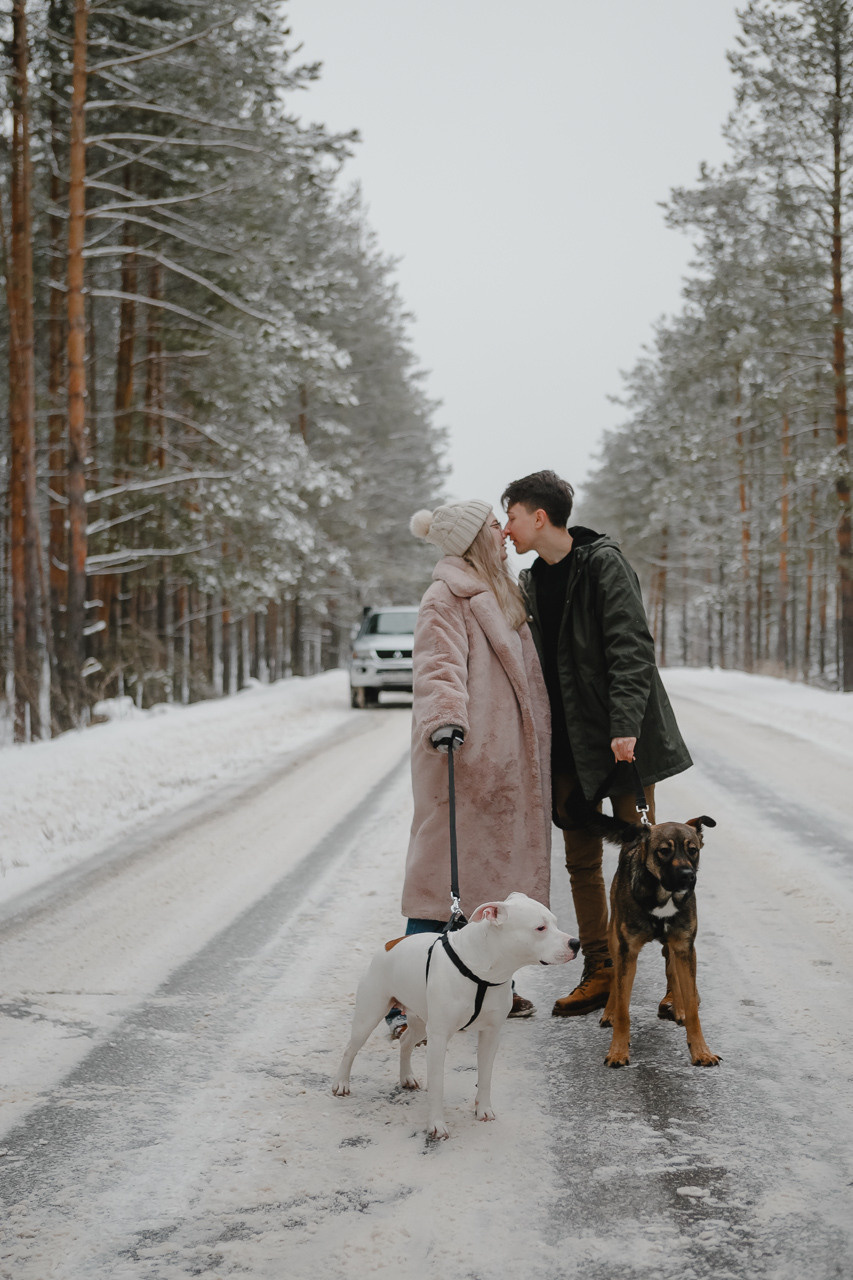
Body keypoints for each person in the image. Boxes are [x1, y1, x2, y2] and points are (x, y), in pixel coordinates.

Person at [501, 470, 692, 1017]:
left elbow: (632, 647)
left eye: (511, 516)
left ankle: (675, 976)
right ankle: (602, 969)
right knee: (581, 862)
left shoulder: (603, 563)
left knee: (648, 856)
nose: (507, 528)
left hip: (619, 740)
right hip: (568, 744)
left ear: (539, 517)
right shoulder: (533, 580)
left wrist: (625, 723)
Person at [400, 498, 553, 1021]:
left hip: (504, 761)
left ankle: (489, 991)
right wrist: (446, 718)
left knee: (492, 882)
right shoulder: (446, 595)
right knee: (440, 880)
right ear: (474, 539)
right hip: (463, 754)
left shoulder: (497, 591)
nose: (503, 532)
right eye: (494, 525)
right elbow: (437, 665)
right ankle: (407, 999)